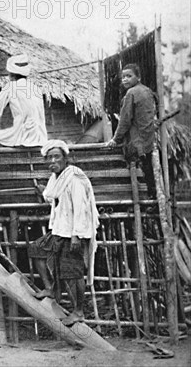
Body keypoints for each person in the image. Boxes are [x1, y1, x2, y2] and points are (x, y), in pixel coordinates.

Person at [28, 140, 99, 326]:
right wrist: (43, 191)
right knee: (36, 249)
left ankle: (78, 311)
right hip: (59, 230)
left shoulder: (74, 178)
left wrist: (76, 234)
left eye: (57, 156)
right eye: (49, 158)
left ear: (65, 159)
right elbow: (51, 194)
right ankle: (50, 288)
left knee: (73, 274)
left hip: (72, 233)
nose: (53, 160)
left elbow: (81, 207)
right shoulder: (56, 178)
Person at [106, 63, 156, 198]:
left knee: (129, 166)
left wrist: (115, 139)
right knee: (149, 172)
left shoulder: (131, 93)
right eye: (123, 77)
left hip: (137, 142)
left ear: (138, 77)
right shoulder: (147, 91)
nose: (125, 79)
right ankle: (152, 195)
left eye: (129, 76)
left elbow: (125, 120)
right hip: (148, 141)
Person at [0, 53, 47, 147]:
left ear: (11, 74)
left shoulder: (11, 87)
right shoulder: (36, 88)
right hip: (40, 137)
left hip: (22, 135)